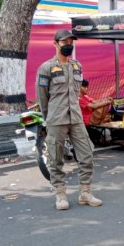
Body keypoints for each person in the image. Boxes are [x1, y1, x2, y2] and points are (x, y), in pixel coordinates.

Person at [36, 29, 102, 210]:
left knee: (87, 153)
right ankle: (60, 194)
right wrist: (48, 118)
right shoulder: (46, 68)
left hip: (76, 117)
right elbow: (42, 98)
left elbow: (76, 92)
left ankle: (85, 192)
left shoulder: (76, 66)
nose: (68, 45)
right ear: (55, 44)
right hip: (56, 118)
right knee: (56, 158)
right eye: (65, 42)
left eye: (71, 42)